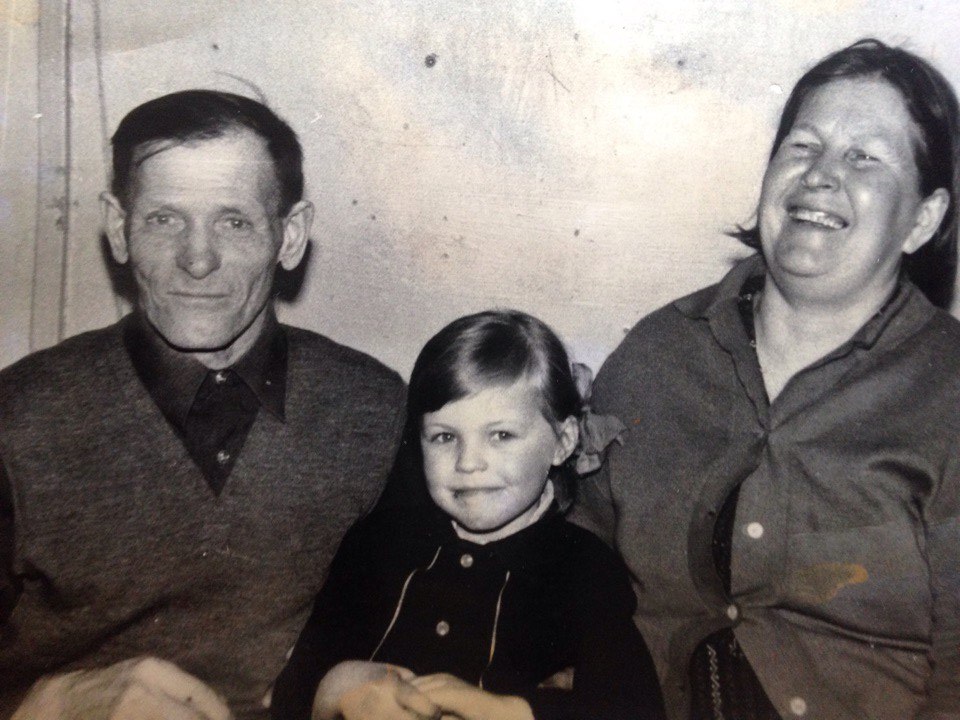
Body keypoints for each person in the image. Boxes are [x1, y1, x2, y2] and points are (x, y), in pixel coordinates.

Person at [574, 39, 960, 720]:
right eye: (803, 146)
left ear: (922, 220)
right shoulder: (658, 353)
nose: (820, 176)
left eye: (864, 157)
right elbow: (573, 569)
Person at [0, 90, 406, 720]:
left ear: (290, 236)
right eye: (165, 219)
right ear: (119, 228)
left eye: (234, 222)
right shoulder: (17, 419)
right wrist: (41, 706)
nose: (197, 259)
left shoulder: (376, 412)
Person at [271, 310, 666, 720]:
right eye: (444, 437)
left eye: (501, 435)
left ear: (562, 442)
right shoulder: (377, 541)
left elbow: (634, 709)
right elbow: (294, 689)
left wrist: (502, 710)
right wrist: (341, 687)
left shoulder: (584, 567)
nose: (468, 462)